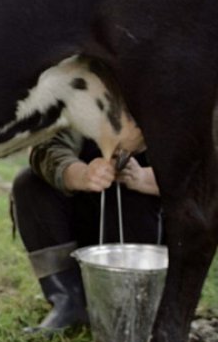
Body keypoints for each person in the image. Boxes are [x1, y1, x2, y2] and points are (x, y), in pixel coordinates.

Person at [11, 129, 162, 331]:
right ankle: (69, 302)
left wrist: (144, 178)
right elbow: (46, 147)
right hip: (89, 213)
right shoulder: (86, 97)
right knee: (30, 184)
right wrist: (82, 175)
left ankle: (144, 304)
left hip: (150, 231)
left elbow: (204, 172)